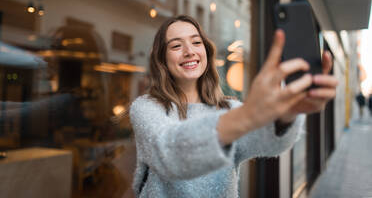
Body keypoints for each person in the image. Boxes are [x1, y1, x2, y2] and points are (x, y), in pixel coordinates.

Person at [129, 15, 338, 198]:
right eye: (176, 46)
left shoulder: (230, 108)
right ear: (162, 60)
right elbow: (168, 153)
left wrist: (288, 113)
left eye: (196, 42)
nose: (189, 51)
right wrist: (246, 116)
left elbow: (269, 141)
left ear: (206, 51)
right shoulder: (147, 108)